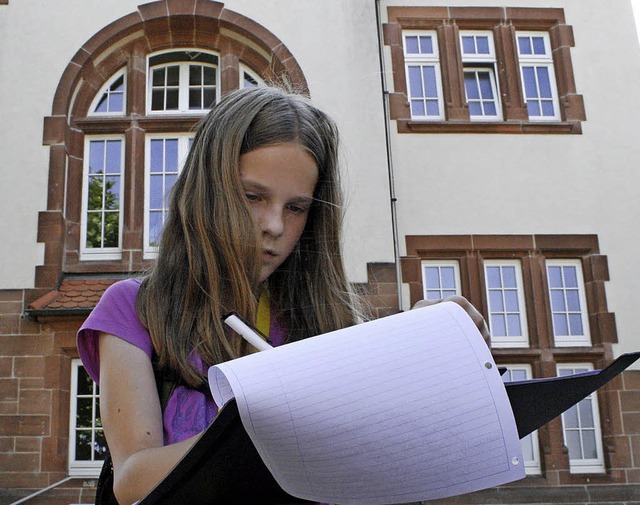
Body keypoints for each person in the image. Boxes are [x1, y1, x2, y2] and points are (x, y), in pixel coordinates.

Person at [77, 86, 489, 504]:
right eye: (252, 196)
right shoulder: (135, 308)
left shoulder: (331, 323)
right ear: (205, 192)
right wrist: (258, 427)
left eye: (296, 208)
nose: (273, 225)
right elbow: (131, 481)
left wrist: (424, 345)